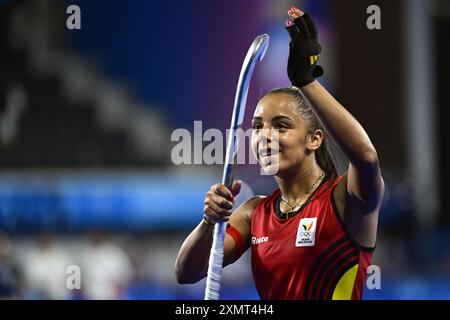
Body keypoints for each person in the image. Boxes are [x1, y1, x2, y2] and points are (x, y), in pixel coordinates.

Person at [175, 6, 384, 300]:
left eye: (281, 126)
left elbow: (365, 156)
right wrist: (209, 220)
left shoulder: (344, 200)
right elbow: (186, 272)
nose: (265, 136)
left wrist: (306, 81)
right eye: (258, 127)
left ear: (314, 139)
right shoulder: (253, 213)